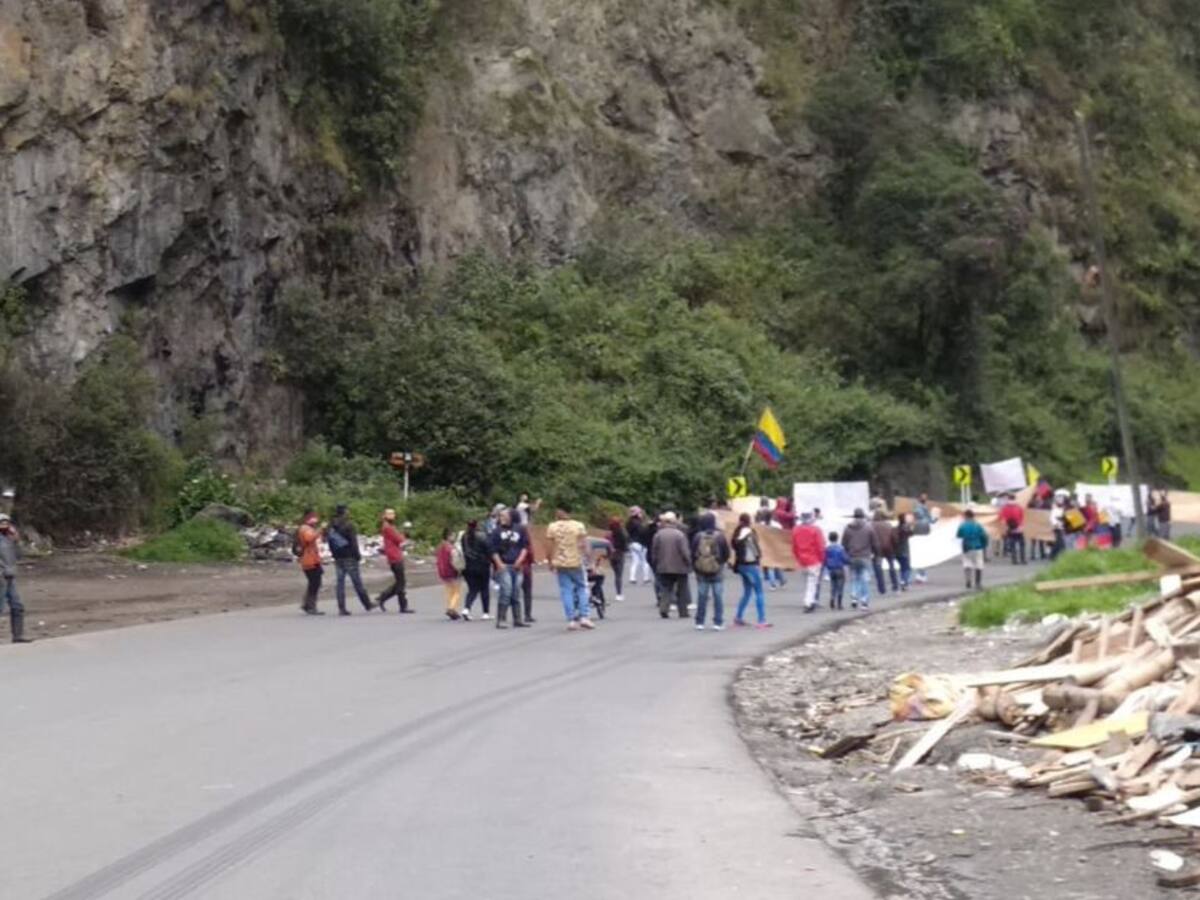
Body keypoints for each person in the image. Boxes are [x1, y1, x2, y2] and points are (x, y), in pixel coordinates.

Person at [546, 504, 594, 630]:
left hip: (561, 562)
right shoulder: (578, 525)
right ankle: (584, 616)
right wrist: (589, 560)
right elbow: (585, 544)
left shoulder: (553, 527)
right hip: (576, 561)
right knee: (581, 588)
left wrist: (550, 561)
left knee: (566, 590)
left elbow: (550, 546)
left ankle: (571, 619)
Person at [325, 505, 375, 616]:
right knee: (357, 582)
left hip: (338, 557)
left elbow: (329, 541)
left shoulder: (331, 525)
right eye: (347, 511)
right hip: (350, 557)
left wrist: (334, 554)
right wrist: (357, 555)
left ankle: (341, 608)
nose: (349, 513)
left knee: (340, 583)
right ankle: (367, 604)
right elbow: (353, 543)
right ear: (344, 512)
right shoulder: (349, 525)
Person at [490, 509, 529, 629]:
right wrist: (499, 563)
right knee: (506, 591)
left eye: (504, 515)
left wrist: (520, 560)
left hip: (517, 565)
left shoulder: (520, 529)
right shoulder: (496, 531)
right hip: (504, 565)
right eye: (500, 515)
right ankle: (501, 619)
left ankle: (517, 619)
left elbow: (524, 547)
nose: (501, 517)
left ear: (511, 517)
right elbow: (493, 550)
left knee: (516, 592)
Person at [691, 512, 729, 630]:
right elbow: (726, 553)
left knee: (702, 596)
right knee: (718, 596)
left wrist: (697, 565)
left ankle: (700, 622)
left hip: (701, 570)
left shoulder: (698, 536)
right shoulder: (720, 536)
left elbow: (693, 553)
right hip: (717, 569)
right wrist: (719, 562)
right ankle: (717, 622)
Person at [732, 513, 770, 628]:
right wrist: (758, 560)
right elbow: (755, 550)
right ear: (749, 521)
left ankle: (738, 617)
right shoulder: (750, 533)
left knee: (747, 592)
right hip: (751, 565)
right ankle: (761, 620)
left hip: (741, 566)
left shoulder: (737, 534)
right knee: (759, 591)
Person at [651, 512, 692, 620]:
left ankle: (664, 609)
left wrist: (655, 563)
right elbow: (684, 551)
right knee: (682, 589)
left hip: (663, 566)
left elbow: (654, 551)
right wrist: (689, 562)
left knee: (666, 588)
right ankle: (683, 611)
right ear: (674, 521)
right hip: (680, 567)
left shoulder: (658, 535)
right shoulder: (680, 535)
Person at [0, 514, 32, 643]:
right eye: (2, 523)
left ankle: (17, 636)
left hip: (10, 577)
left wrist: (16, 541)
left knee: (17, 606)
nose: (4, 525)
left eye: (6, 523)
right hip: (1, 577)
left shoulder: (10, 539)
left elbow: (19, 556)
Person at [374, 509, 412, 613]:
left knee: (400, 582)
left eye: (393, 514)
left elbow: (399, 539)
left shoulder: (388, 527)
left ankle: (384, 598)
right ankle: (387, 600)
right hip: (395, 556)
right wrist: (404, 536)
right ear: (386, 516)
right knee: (401, 582)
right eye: (391, 514)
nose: (393, 516)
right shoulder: (388, 528)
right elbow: (399, 539)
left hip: (394, 555)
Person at [842, 508, 879, 610]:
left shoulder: (848, 528)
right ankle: (864, 601)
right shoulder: (868, 528)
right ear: (863, 516)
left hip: (852, 556)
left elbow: (844, 543)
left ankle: (854, 596)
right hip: (865, 557)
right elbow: (875, 543)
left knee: (854, 577)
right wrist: (876, 554)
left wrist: (847, 553)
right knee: (864, 579)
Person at [791, 511, 826, 613]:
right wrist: (822, 559)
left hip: (802, 559)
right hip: (814, 559)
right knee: (812, 582)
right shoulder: (816, 530)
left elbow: (794, 547)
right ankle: (809, 602)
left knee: (808, 581)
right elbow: (820, 546)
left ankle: (810, 601)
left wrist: (798, 558)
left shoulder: (796, 530)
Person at [460, 519, 492, 621]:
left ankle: (466, 608)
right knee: (484, 589)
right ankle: (485, 612)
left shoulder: (464, 536)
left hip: (468, 566)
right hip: (482, 566)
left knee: (472, 589)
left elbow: (463, 549)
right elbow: (488, 550)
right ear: (477, 525)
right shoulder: (482, 536)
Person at [296, 510, 325, 616]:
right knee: (314, 584)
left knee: (315, 582)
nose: (315, 519)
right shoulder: (305, 529)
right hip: (309, 560)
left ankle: (307, 604)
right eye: (313, 517)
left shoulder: (307, 528)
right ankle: (311, 606)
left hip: (313, 559)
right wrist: (319, 531)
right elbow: (309, 538)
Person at [957, 508, 988, 590]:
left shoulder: (962, 526)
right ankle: (978, 583)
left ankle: (968, 581)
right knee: (979, 564)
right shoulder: (978, 525)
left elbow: (958, 537)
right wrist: (984, 544)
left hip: (966, 547)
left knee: (967, 563)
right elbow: (984, 536)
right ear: (973, 516)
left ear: (966, 516)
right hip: (977, 546)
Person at [766, 497, 794, 591]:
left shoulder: (772, 515)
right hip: (778, 542)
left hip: (770, 543)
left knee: (773, 563)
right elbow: (791, 516)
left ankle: (779, 581)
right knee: (774, 563)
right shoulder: (780, 515)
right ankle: (775, 583)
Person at [435, 528, 462, 620]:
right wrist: (459, 569)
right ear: (448, 536)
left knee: (449, 591)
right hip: (451, 571)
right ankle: (451, 608)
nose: (454, 537)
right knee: (456, 592)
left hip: (442, 571)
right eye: (453, 535)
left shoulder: (440, 546)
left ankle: (452, 608)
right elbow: (455, 560)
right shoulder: (450, 548)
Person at [871, 511, 899, 594]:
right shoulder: (888, 525)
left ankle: (881, 588)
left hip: (877, 550)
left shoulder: (871, 525)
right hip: (889, 548)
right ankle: (895, 585)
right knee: (892, 566)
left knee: (878, 568)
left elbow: (870, 538)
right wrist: (895, 547)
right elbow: (894, 537)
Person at [626, 507, 653, 586]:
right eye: (640, 513)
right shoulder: (638, 523)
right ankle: (646, 577)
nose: (641, 514)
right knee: (644, 561)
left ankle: (632, 577)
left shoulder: (629, 522)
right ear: (637, 514)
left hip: (632, 543)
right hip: (639, 543)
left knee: (635, 561)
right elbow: (643, 532)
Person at [911, 493, 934, 584]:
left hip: (917, 539)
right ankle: (922, 574)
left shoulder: (916, 519)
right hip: (923, 539)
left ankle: (919, 574)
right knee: (922, 557)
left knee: (918, 557)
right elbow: (931, 522)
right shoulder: (925, 516)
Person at [823, 531, 848, 610]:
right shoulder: (840, 548)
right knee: (840, 586)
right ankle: (839, 603)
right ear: (837, 538)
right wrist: (849, 561)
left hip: (831, 569)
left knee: (833, 586)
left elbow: (825, 559)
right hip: (839, 568)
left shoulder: (827, 548)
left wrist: (826, 566)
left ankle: (832, 599)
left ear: (829, 539)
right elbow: (844, 558)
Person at [607, 515, 629, 602]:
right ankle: (619, 593)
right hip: (619, 553)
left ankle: (618, 593)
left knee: (616, 572)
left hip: (611, 554)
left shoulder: (609, 532)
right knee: (618, 575)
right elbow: (625, 542)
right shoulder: (621, 532)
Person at [999, 494, 1026, 565]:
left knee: (1012, 545)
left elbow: (1002, 520)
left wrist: (1005, 528)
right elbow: (1022, 518)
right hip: (1019, 529)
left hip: (1010, 529)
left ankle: (1014, 560)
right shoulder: (1019, 508)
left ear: (1008, 499)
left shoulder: (1004, 508)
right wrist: (1021, 527)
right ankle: (1023, 559)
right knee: (1022, 545)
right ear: (1015, 499)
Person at [894, 513, 914, 591]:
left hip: (896, 551)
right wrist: (910, 525)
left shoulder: (896, 528)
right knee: (907, 568)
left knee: (902, 567)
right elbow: (911, 533)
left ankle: (903, 581)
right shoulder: (905, 528)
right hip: (904, 550)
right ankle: (904, 582)